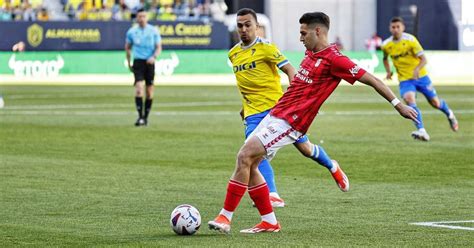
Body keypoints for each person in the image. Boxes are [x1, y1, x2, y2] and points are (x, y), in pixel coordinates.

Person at [208, 11, 418, 234]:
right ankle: (269, 221)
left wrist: (399, 105)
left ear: (318, 31)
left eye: (303, 33)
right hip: (276, 113)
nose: (300, 38)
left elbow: (372, 80)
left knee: (244, 157)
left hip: (290, 122)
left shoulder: (336, 60)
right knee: (251, 164)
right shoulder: (310, 53)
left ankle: (225, 217)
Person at [229, 8, 351, 209]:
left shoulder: (267, 48)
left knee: (305, 149)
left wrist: (299, 101)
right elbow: (245, 83)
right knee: (252, 153)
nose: (243, 29)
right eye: (240, 26)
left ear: (257, 27)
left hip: (280, 110)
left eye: (248, 25)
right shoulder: (233, 54)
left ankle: (332, 165)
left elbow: (290, 69)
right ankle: (272, 194)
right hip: (253, 114)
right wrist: (245, 107)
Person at [381, 17, 458, 141]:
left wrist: (417, 69)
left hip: (421, 77)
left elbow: (424, 59)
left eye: (398, 27)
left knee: (435, 103)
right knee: (409, 99)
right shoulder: (386, 45)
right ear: (390, 28)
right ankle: (422, 130)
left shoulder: (411, 40)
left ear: (403, 27)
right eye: (393, 27)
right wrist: (388, 72)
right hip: (405, 79)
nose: (395, 29)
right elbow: (385, 58)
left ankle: (449, 114)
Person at [125, 8, 162, 126]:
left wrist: (154, 57)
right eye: (139, 16)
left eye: (143, 16)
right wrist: (129, 61)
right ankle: (140, 117)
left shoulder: (153, 31)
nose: (141, 19)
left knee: (150, 92)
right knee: (139, 88)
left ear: (147, 17)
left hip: (150, 62)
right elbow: (128, 48)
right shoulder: (131, 32)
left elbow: (158, 47)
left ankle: (145, 117)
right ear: (137, 18)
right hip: (138, 62)